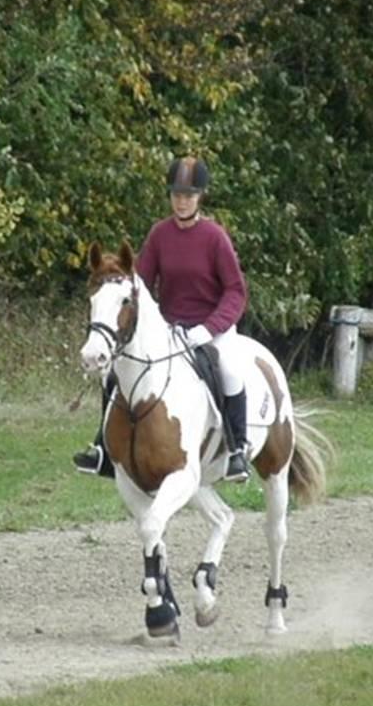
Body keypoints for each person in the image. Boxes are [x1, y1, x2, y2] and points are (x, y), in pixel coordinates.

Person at [74, 155, 250, 482]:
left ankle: (237, 448)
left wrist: (208, 329)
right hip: (171, 326)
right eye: (176, 195)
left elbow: (236, 292)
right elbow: (138, 284)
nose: (181, 202)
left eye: (188, 195)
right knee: (115, 370)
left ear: (200, 197)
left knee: (228, 370)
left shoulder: (215, 237)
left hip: (212, 327)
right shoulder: (160, 234)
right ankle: (104, 449)